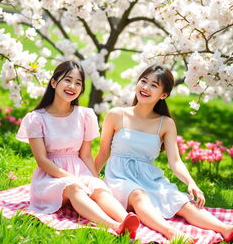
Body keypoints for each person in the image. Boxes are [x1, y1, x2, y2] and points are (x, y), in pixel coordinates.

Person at [95, 65, 233, 242]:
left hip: (150, 178)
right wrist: (91, 179)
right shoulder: (116, 115)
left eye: (154, 85)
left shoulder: (165, 123)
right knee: (138, 195)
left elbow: (175, 161)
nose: (145, 88)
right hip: (119, 178)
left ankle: (225, 229)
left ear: (163, 95)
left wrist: (191, 183)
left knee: (180, 201)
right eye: (143, 81)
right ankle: (171, 232)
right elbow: (103, 152)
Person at [16, 61, 140, 238]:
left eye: (78, 83)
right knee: (74, 186)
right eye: (67, 80)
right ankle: (115, 226)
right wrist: (71, 178)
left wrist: (95, 180)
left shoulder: (84, 115)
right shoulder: (36, 118)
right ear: (53, 83)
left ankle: (128, 221)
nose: (72, 86)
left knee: (97, 188)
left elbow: (86, 154)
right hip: (50, 177)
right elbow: (42, 160)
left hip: (78, 169)